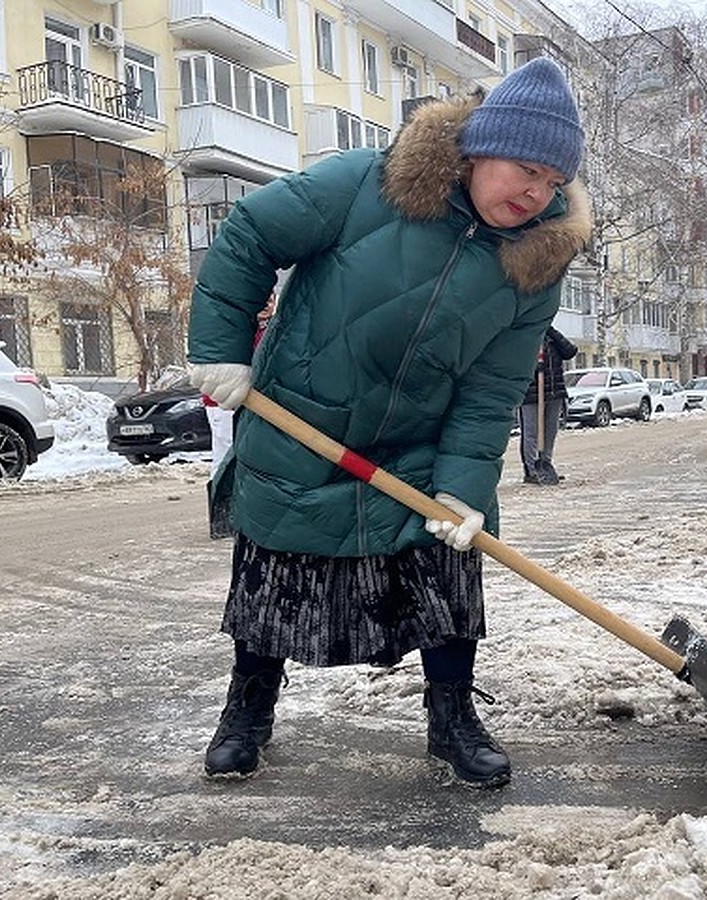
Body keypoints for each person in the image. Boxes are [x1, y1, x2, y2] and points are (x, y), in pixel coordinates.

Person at [186, 58, 590, 788]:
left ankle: (452, 717)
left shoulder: (537, 260)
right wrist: (220, 352)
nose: (536, 193)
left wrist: (465, 486)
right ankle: (248, 707)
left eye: (553, 183)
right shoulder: (368, 183)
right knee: (272, 575)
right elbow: (248, 234)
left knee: (447, 571)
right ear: (479, 147)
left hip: (417, 447)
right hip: (300, 421)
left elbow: (492, 385)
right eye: (525, 169)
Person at [203, 294, 276, 539]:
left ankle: (245, 515)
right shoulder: (239, 326)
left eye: (270, 299)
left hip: (256, 403)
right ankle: (222, 518)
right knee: (226, 455)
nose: (266, 305)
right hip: (224, 400)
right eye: (262, 300)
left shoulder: (273, 328)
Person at [518, 326, 577, 485]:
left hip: (554, 391)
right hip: (531, 393)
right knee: (531, 432)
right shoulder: (523, 335)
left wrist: (552, 332)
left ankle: (545, 465)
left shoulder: (552, 338)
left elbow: (570, 351)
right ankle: (531, 470)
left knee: (550, 431)